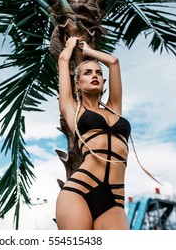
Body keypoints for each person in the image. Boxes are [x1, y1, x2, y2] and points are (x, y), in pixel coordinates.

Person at [56, 36, 130, 230]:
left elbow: (113, 62)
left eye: (98, 73)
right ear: (78, 84)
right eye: (88, 73)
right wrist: (71, 45)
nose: (94, 75)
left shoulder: (114, 109)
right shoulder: (73, 110)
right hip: (80, 190)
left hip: (114, 197)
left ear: (103, 83)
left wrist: (88, 52)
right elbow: (63, 61)